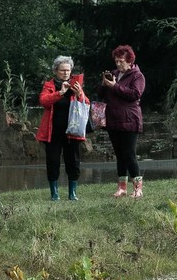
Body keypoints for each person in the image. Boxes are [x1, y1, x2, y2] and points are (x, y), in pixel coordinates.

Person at [35, 55, 88, 201]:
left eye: (68, 70)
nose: (65, 73)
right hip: (53, 132)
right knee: (53, 162)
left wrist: (80, 94)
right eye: (62, 70)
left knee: (73, 162)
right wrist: (60, 93)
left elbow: (86, 103)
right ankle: (54, 194)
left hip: (72, 131)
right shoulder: (49, 85)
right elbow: (44, 101)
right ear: (55, 71)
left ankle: (73, 193)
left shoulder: (76, 84)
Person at [98, 44, 146, 198]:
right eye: (116, 61)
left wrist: (115, 86)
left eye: (121, 61)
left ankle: (138, 188)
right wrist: (104, 84)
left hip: (130, 120)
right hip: (113, 120)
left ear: (130, 61)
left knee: (129, 154)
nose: (118, 64)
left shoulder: (138, 76)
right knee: (119, 154)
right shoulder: (113, 74)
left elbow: (135, 94)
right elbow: (101, 94)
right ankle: (122, 187)